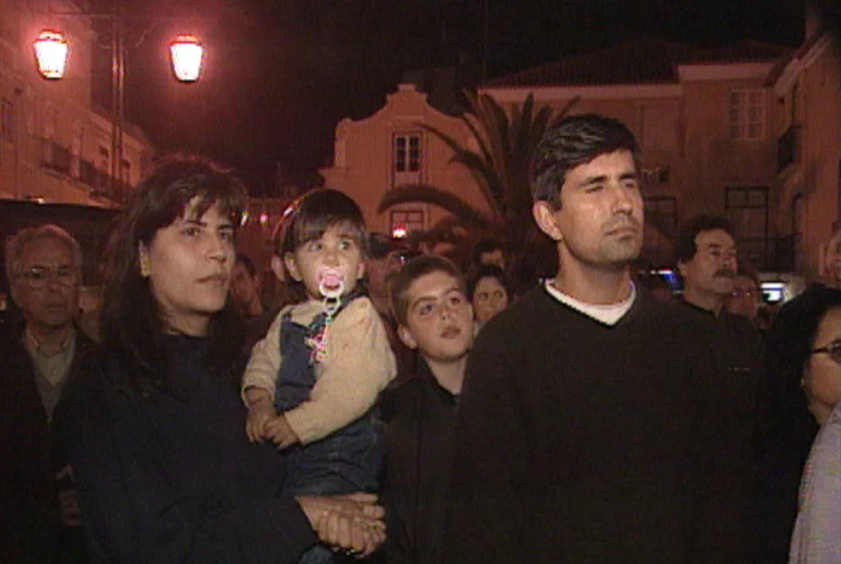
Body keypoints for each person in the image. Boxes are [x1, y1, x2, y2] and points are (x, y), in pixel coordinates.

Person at [55, 156, 385, 564]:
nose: (219, 252)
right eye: (192, 232)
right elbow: (152, 544)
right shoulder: (106, 384)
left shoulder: (245, 367)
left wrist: (340, 522)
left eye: (225, 234)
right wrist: (303, 516)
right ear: (142, 254)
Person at [443, 114, 731, 564]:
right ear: (548, 218)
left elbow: (718, 505)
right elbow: (483, 523)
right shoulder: (508, 348)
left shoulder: (687, 341)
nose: (622, 204)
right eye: (595, 187)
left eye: (629, 183)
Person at [242, 188, 397, 563]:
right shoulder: (287, 320)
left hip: (338, 457)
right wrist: (259, 402)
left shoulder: (357, 317)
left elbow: (350, 390)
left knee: (316, 544)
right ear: (293, 265)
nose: (331, 256)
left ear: (360, 265)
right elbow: (261, 364)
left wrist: (297, 424)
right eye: (316, 246)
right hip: (290, 456)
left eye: (344, 245)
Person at [674, 214, 765, 557]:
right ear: (684, 265)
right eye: (714, 253)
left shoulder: (745, 336)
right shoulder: (658, 334)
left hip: (740, 509)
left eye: (732, 254)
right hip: (683, 512)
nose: (727, 262)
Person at [0, 224, 92, 563]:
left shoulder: (106, 371)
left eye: (64, 273)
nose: (54, 287)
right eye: (38, 276)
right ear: (16, 289)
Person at [380, 255, 474, 564]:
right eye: (427, 308)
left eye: (454, 300)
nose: (447, 313)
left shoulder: (511, 395)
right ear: (406, 334)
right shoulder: (392, 417)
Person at [230, 252, 277, 353]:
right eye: (231, 283)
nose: (236, 287)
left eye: (240, 278)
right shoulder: (232, 332)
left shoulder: (275, 321)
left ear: (256, 280)